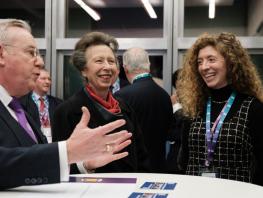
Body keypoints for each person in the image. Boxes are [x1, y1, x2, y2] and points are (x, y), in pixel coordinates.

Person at [0, 19, 132, 190]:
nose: (40, 62)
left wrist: (85, 164)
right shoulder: (64, 109)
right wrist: (67, 151)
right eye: (31, 52)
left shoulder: (19, 108)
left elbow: (32, 166)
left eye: (111, 61)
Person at [52, 32, 149, 173]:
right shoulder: (66, 112)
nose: (107, 67)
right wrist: (86, 166)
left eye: (111, 61)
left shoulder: (125, 107)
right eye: (99, 61)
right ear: (84, 70)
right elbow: (60, 165)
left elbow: (141, 157)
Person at [176, 32, 263, 185]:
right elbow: (185, 159)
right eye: (200, 62)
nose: (204, 67)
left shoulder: (253, 108)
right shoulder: (194, 106)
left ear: (231, 62)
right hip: (194, 191)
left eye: (211, 59)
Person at [115, 47, 173, 173]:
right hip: (160, 167)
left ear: (125, 68)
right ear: (149, 66)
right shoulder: (165, 95)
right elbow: (169, 131)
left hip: (133, 168)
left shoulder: (121, 96)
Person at [20, 68, 63, 142]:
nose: (47, 82)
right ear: (34, 80)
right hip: (34, 146)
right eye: (43, 79)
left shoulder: (58, 103)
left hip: (55, 145)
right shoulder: (22, 102)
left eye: (49, 79)